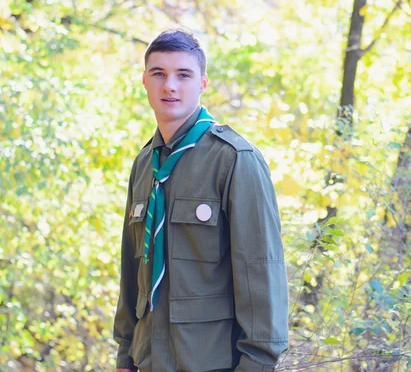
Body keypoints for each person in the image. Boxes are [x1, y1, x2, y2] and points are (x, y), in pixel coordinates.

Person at [113, 28, 289, 372]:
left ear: (203, 83)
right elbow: (132, 269)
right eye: (158, 74)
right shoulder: (144, 164)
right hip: (148, 360)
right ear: (144, 81)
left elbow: (261, 275)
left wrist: (256, 365)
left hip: (210, 361)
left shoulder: (235, 159)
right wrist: (125, 353)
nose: (170, 86)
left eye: (183, 74)